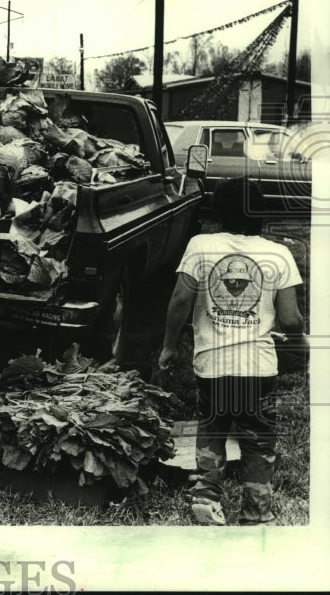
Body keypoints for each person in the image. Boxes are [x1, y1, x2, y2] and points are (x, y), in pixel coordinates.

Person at [158, 177, 305, 526]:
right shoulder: (279, 253)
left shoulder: (201, 245)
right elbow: (290, 319)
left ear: (219, 213)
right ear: (262, 215)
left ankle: (207, 499)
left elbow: (180, 299)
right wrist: (295, 336)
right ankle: (256, 513)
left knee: (212, 429)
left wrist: (168, 346)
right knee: (258, 443)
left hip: (212, 365)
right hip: (259, 369)